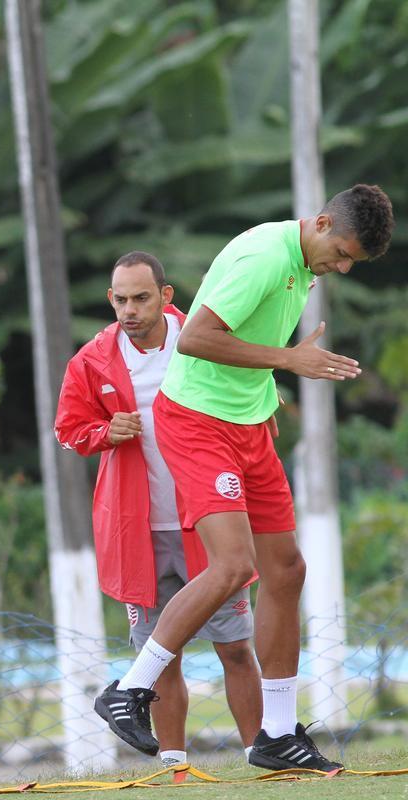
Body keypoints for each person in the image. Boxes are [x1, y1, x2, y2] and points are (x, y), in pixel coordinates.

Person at [93, 185, 395, 771]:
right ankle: (128, 689)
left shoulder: (305, 263)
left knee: (287, 568)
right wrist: (288, 361)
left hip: (249, 424)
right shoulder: (265, 256)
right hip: (198, 423)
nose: (342, 266)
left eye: (353, 261)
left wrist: (268, 394)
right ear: (323, 221)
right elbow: (199, 338)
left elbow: (245, 342)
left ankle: (277, 735)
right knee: (232, 567)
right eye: (343, 252)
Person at [56, 251, 262, 768]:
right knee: (160, 657)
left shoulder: (202, 340)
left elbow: (248, 400)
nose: (130, 309)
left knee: (235, 647)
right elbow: (68, 431)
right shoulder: (91, 360)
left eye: (141, 298)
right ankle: (175, 766)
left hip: (208, 523)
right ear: (110, 300)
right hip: (139, 533)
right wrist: (106, 433)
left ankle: (263, 753)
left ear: (166, 297)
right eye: (121, 299)